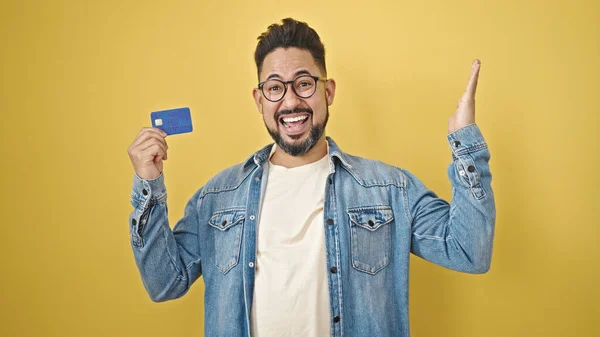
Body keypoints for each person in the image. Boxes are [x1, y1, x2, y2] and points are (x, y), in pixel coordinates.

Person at [127, 17, 495, 337]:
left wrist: (465, 142)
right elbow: (165, 283)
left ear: (327, 91)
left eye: (303, 83)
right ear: (259, 100)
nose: (290, 102)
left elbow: (469, 252)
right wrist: (149, 185)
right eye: (275, 87)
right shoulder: (218, 197)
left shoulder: (390, 190)